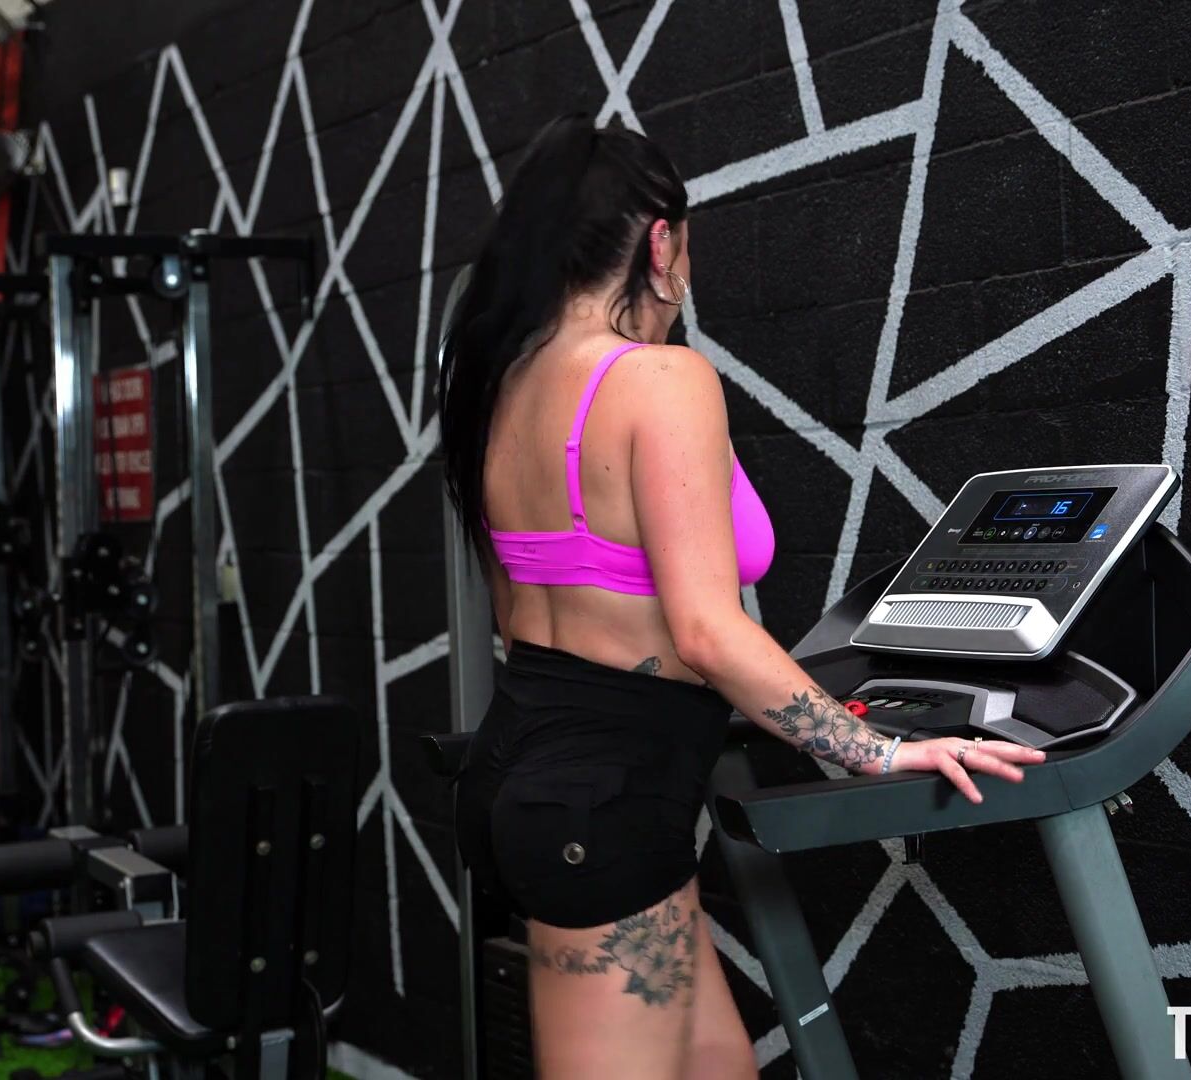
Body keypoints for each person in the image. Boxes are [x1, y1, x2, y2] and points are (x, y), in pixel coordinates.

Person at [436, 114, 1046, 1079]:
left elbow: (522, 617)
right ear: (660, 243)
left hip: (549, 772)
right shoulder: (660, 380)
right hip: (604, 803)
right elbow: (708, 632)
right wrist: (879, 750)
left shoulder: (503, 386)